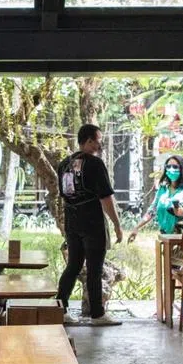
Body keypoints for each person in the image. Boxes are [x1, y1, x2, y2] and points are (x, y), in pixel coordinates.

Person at [56, 124, 123, 327]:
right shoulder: (94, 164)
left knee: (74, 265)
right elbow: (106, 198)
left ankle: (60, 308)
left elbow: (65, 194)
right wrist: (117, 225)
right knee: (95, 267)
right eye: (98, 139)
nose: (100, 143)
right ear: (89, 141)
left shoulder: (64, 164)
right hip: (92, 221)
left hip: (72, 220)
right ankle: (97, 314)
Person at [128, 154, 183, 239]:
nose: (171, 169)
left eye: (175, 167)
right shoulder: (163, 189)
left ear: (182, 169)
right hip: (166, 237)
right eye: (168, 166)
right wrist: (137, 227)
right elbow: (152, 210)